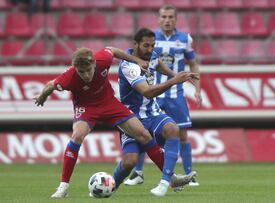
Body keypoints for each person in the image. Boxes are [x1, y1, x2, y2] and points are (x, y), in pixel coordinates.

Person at [34, 47, 169, 198]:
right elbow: (51, 85)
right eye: (81, 72)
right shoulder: (69, 77)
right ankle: (63, 186)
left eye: (88, 70)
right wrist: (42, 97)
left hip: (109, 103)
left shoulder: (102, 59)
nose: (86, 75)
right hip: (87, 108)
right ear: (75, 69)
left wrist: (136, 60)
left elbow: (114, 51)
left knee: (143, 134)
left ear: (94, 64)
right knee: (77, 135)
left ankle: (169, 177)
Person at [113, 28, 199, 197]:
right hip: (132, 118)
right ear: (135, 44)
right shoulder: (128, 66)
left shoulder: (150, 55)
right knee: (129, 161)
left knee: (173, 129)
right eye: (146, 45)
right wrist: (175, 80)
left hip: (152, 113)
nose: (151, 49)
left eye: (153, 45)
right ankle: (112, 184)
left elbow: (157, 63)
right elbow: (147, 92)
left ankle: (166, 181)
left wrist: (175, 73)